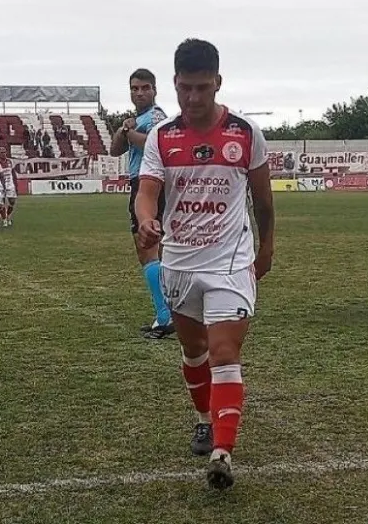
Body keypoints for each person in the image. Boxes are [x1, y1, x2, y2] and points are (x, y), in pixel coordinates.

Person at [135, 38, 275, 491]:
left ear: (218, 82)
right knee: (193, 351)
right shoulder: (162, 137)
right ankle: (203, 418)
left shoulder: (245, 133)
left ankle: (222, 452)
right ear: (174, 84)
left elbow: (263, 200)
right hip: (179, 261)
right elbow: (147, 192)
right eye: (185, 88)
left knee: (224, 353)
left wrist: (267, 248)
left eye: (202, 87)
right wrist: (146, 219)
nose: (193, 98)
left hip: (230, 261)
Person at [110, 67, 174, 340]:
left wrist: (128, 131)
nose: (139, 93)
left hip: (149, 183)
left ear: (155, 90)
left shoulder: (156, 116)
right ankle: (169, 310)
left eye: (145, 88)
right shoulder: (137, 119)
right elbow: (114, 150)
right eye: (134, 88)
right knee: (151, 249)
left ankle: (165, 315)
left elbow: (152, 143)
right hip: (143, 182)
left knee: (147, 247)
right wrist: (124, 129)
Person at [0, 147, 18, 227]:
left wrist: (16, 185)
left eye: (4, 152)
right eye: (1, 152)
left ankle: (8, 216)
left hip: (10, 184)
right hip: (0, 185)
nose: (3, 154)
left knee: (12, 202)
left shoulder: (10, 161)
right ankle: (4, 220)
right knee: (1, 203)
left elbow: (13, 173)